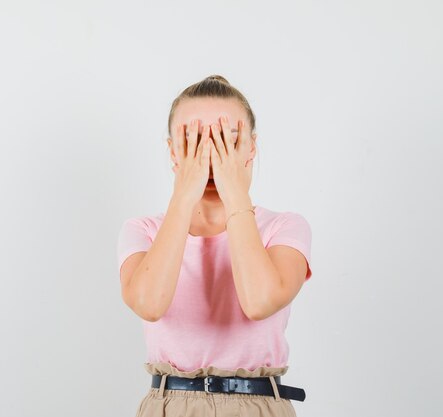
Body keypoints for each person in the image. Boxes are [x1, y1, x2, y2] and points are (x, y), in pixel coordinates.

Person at [116, 75, 313, 417]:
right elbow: (148, 303)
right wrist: (183, 196)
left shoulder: (284, 227)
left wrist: (235, 191)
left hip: (258, 405)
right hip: (169, 405)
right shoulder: (143, 230)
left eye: (227, 142)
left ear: (251, 147)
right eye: (194, 143)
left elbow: (259, 302)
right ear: (173, 151)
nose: (210, 158)